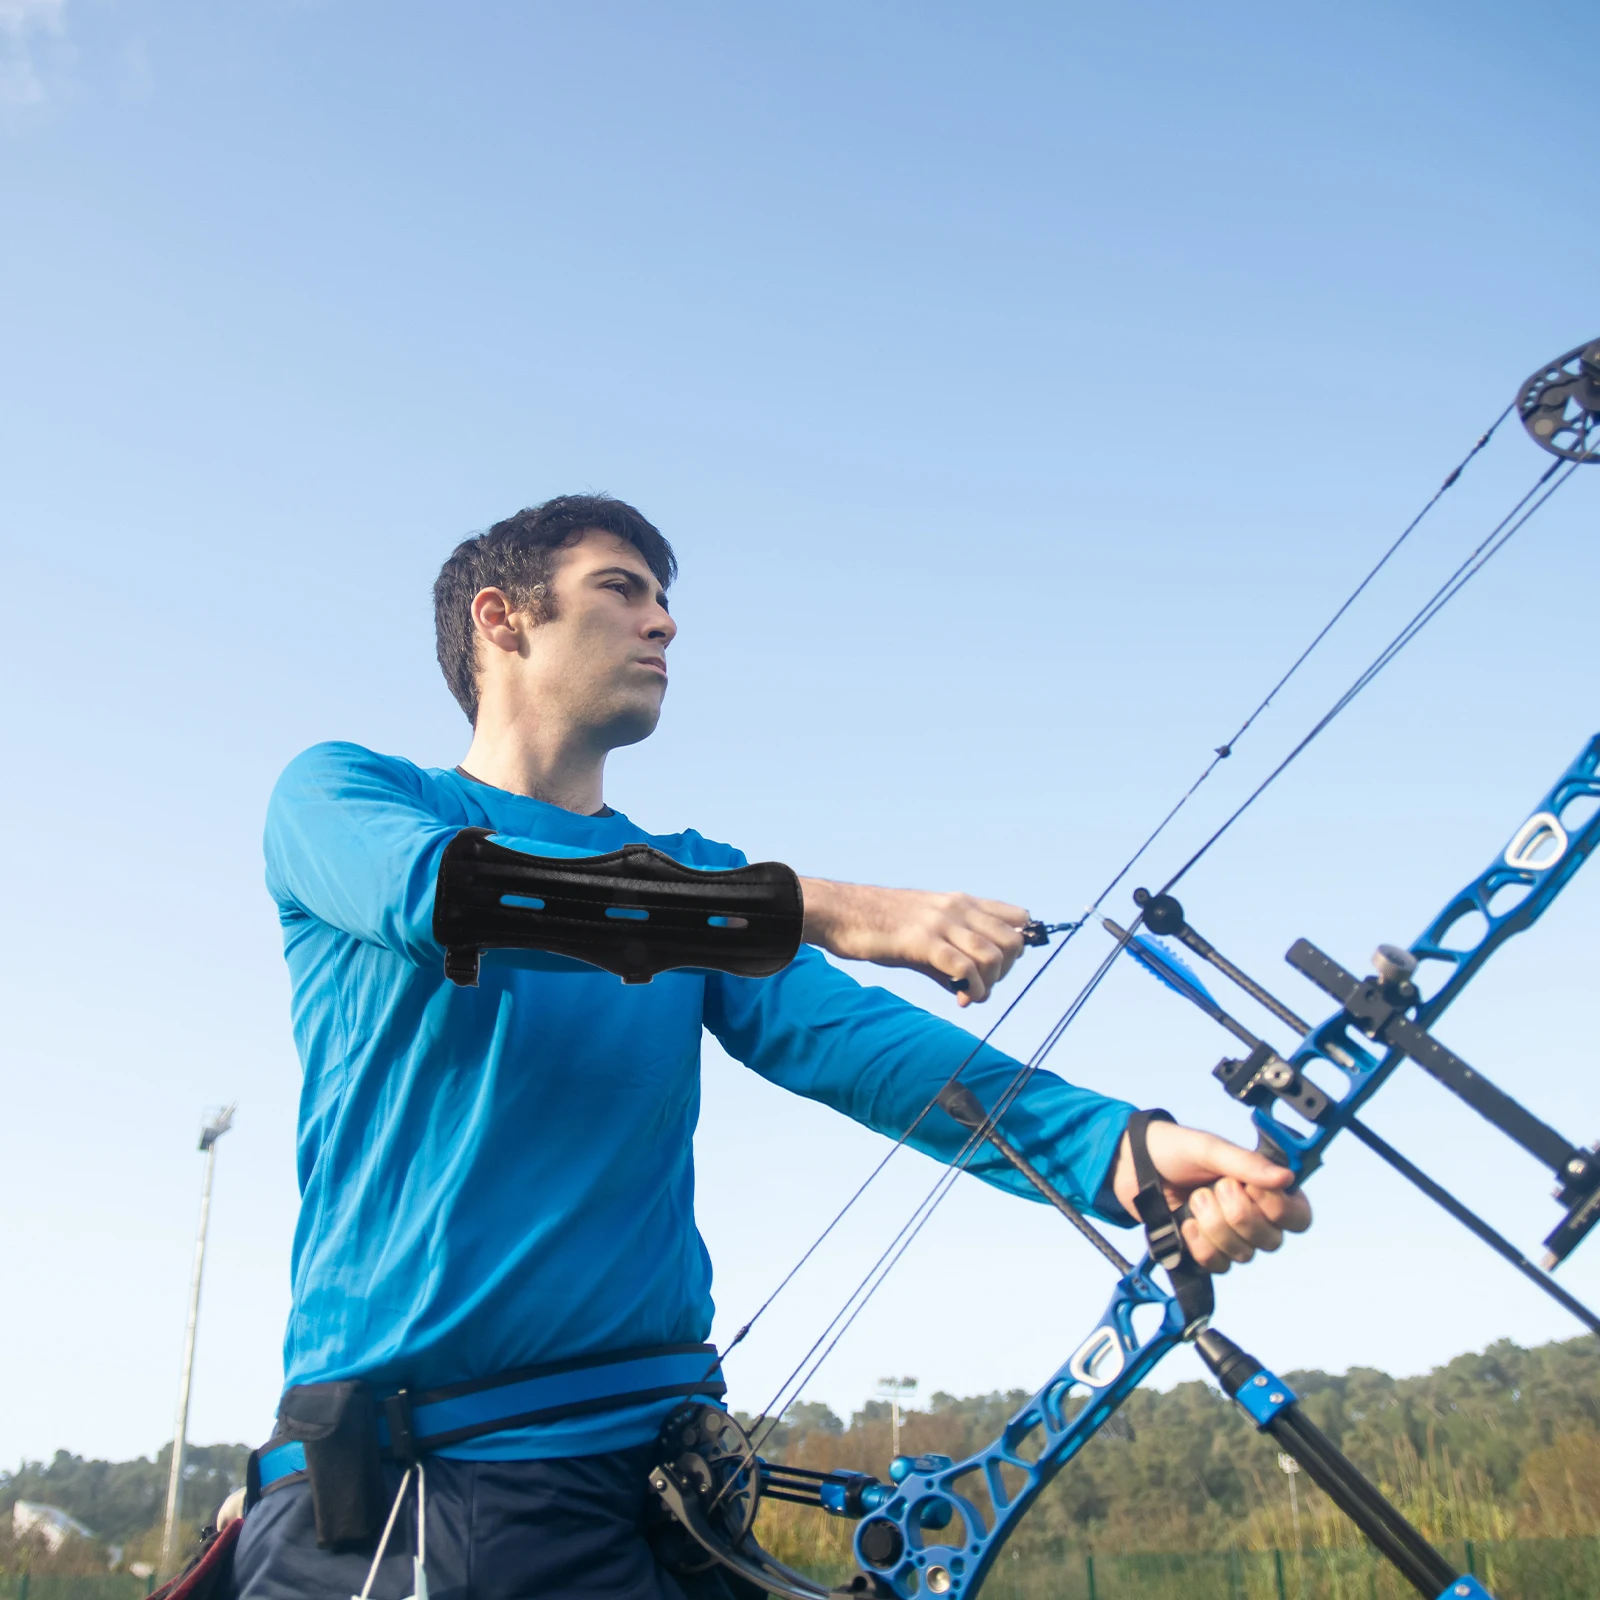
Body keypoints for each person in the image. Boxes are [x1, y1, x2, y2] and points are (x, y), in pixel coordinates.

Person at [231, 495, 1311, 1600]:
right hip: (428, 1497)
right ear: (501, 618)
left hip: (662, 1484)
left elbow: (865, 1049)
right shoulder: (345, 795)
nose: (664, 623)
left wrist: (1125, 1154)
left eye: (666, 599)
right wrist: (827, 906)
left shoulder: (698, 878)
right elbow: (464, 898)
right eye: (623, 589)